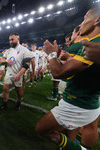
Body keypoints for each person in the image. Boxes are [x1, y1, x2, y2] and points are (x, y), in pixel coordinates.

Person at [35, 7, 100, 150]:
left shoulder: (94, 43)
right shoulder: (94, 42)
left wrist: (51, 54)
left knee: (41, 128)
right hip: (91, 101)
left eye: (84, 18)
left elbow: (59, 73)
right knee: (89, 127)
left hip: (77, 102)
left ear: (97, 20)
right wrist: (70, 58)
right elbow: (84, 67)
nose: (81, 24)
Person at [0, 33, 33, 111]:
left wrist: (19, 74)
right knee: (5, 89)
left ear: (18, 39)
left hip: (18, 74)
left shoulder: (24, 50)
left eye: (12, 39)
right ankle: (5, 105)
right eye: (9, 40)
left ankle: (19, 102)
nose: (10, 41)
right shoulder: (8, 50)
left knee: (18, 91)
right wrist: (7, 61)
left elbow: (27, 64)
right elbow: (1, 60)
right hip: (8, 73)